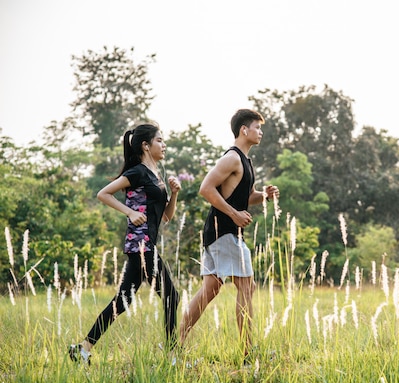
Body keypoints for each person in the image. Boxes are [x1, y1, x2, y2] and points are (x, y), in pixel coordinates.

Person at [69, 123, 181, 364]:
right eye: (159, 140)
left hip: (145, 244)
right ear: (145, 145)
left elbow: (166, 217)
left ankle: (83, 348)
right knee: (172, 296)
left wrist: (174, 195)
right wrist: (129, 212)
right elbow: (103, 193)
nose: (164, 145)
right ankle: (173, 357)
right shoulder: (137, 172)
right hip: (141, 245)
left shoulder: (155, 175)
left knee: (122, 301)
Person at [179, 109, 279, 362]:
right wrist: (234, 214)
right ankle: (248, 353)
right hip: (224, 231)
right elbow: (206, 188)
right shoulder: (232, 158)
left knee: (210, 289)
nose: (260, 132)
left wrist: (264, 196)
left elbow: (247, 197)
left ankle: (174, 343)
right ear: (244, 130)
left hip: (219, 232)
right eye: (257, 127)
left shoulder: (245, 161)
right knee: (247, 285)